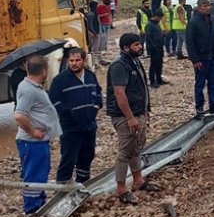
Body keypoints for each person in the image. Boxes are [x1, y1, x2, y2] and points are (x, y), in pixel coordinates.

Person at [106, 33, 161, 204]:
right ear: (125, 47)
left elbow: (142, 88)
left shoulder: (134, 61)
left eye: (140, 44)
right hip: (124, 116)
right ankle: (121, 189)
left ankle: (138, 180)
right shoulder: (119, 66)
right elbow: (119, 93)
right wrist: (130, 117)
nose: (140, 47)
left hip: (138, 113)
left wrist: (145, 110)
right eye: (136, 45)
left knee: (136, 148)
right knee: (125, 152)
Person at [13, 55, 62, 214]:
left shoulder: (31, 86)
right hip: (31, 141)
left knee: (40, 172)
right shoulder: (28, 89)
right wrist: (33, 131)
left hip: (37, 141)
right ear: (44, 71)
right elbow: (19, 115)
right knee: (34, 173)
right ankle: (32, 208)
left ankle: (39, 203)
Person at [48, 48, 101, 185]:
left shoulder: (90, 76)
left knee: (87, 156)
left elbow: (98, 92)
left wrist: (96, 106)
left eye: (77, 60)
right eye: (71, 60)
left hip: (89, 126)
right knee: (69, 158)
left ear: (84, 60)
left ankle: (83, 184)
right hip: (70, 128)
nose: (74, 63)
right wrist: (68, 113)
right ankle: (62, 188)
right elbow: (53, 100)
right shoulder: (60, 80)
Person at [186, 0, 214, 118]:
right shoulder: (193, 22)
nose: (207, 8)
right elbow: (190, 42)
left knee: (213, 82)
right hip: (201, 58)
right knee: (200, 84)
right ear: (198, 7)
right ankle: (199, 107)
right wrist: (194, 59)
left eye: (208, 6)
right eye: (204, 6)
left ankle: (213, 105)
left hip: (212, 56)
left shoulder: (212, 20)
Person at [144, 10, 166, 88]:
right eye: (159, 18)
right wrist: (152, 47)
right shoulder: (149, 25)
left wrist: (163, 34)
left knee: (159, 64)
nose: (160, 19)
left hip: (159, 47)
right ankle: (153, 81)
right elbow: (148, 38)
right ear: (155, 16)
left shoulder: (156, 24)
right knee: (153, 65)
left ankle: (159, 79)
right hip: (154, 48)